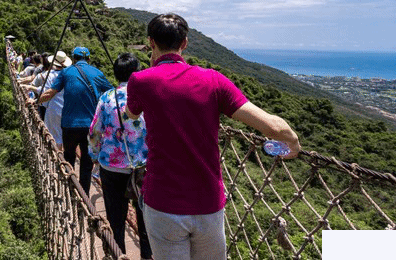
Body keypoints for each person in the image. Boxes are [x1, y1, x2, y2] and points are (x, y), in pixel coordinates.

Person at [126, 14, 301, 260]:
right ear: (185, 43)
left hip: (162, 201)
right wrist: (292, 145)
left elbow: (131, 113)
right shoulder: (213, 80)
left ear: (151, 42)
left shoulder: (140, 81)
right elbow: (273, 126)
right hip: (207, 203)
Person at [89, 52, 152, 260]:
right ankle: (146, 256)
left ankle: (118, 255)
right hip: (142, 168)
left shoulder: (106, 98)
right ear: (138, 73)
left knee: (115, 220)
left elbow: (94, 131)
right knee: (145, 220)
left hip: (112, 168)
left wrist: (94, 155)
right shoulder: (148, 97)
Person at [39, 46, 113, 195]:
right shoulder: (98, 73)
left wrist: (35, 102)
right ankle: (84, 194)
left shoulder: (66, 72)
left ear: (73, 59)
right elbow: (111, 92)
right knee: (86, 163)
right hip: (90, 127)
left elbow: (50, 93)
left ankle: (68, 190)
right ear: (89, 59)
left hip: (69, 125)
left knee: (69, 157)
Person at [25, 51, 72, 148]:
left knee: (54, 137)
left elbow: (46, 93)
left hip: (54, 109)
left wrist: (35, 101)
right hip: (68, 109)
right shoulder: (70, 75)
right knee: (66, 137)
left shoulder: (49, 75)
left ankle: (57, 159)